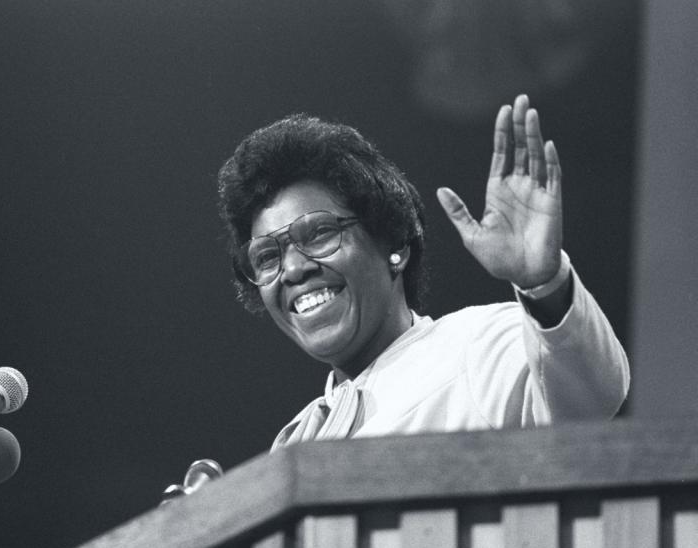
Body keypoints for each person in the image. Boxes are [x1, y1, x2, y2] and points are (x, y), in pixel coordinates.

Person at [217, 95, 629, 449]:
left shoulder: (476, 347)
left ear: (394, 244)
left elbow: (594, 395)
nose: (292, 269)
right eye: (267, 256)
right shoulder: (298, 440)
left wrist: (544, 283)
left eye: (319, 233)